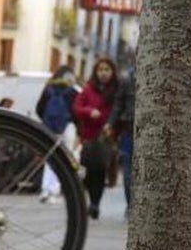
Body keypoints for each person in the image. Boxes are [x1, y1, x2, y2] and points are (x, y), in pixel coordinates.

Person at [72, 57, 118, 219]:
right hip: (89, 137)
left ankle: (95, 204)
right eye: (100, 70)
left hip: (106, 137)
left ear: (112, 72)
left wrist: (110, 124)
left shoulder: (116, 90)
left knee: (101, 171)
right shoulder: (88, 89)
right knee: (90, 171)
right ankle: (92, 201)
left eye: (107, 70)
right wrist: (89, 111)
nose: (103, 73)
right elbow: (77, 107)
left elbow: (117, 111)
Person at [34, 65, 77, 204]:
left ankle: (45, 190)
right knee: (63, 159)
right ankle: (54, 191)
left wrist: (48, 121)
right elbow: (76, 112)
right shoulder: (72, 91)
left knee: (50, 159)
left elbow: (38, 108)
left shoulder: (48, 89)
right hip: (67, 128)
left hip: (49, 129)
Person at [104, 61, 135, 216]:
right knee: (128, 172)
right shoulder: (127, 79)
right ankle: (131, 206)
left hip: (148, 131)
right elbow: (118, 104)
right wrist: (110, 123)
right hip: (128, 132)